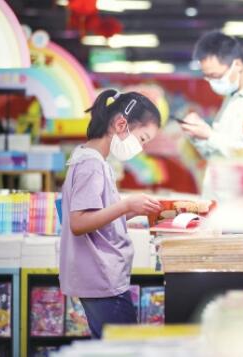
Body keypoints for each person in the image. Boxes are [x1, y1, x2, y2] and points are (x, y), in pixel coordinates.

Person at [59, 89, 162, 338]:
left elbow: (99, 215)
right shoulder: (91, 164)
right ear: (120, 124)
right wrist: (126, 206)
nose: (141, 147)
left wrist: (133, 210)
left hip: (102, 278)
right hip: (102, 279)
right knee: (124, 347)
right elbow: (79, 222)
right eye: (142, 139)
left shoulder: (94, 160)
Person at [180, 30, 243, 157]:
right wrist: (198, 134)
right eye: (207, 77)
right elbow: (216, 152)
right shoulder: (231, 96)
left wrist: (210, 135)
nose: (212, 82)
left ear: (237, 64)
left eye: (215, 76)